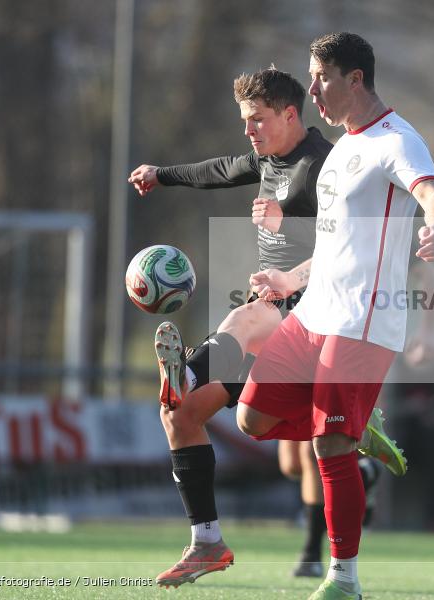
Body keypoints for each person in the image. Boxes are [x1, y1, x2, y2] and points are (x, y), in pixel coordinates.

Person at [127, 67, 394, 587]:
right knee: (180, 414)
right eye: (244, 121)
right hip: (272, 313)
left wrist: (284, 226)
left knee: (247, 318)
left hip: (314, 315)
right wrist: (162, 174)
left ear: (289, 115)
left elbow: (351, 246)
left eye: (257, 119)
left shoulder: (325, 166)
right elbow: (219, 169)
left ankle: (189, 372)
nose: (248, 130)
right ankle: (207, 542)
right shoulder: (267, 160)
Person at [236, 32, 434, 600]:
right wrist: (291, 279)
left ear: (355, 79)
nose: (312, 91)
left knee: (328, 450)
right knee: (251, 419)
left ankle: (345, 579)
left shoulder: (398, 140)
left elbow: (433, 191)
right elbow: (335, 246)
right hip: (313, 314)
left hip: (362, 322)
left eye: (321, 78)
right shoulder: (340, 151)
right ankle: (356, 427)